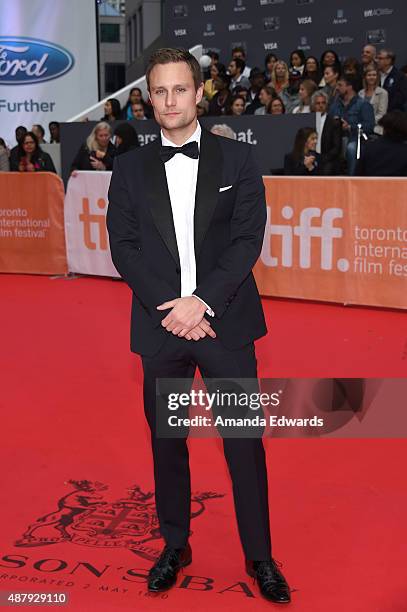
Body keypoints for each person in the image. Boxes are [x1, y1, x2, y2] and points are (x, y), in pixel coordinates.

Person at [106, 46, 291, 604]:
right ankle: (175, 543)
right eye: (158, 91)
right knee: (168, 441)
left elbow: (245, 242)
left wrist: (201, 302)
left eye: (179, 89)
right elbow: (125, 248)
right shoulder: (130, 167)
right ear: (149, 96)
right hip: (162, 327)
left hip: (225, 325)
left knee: (243, 444)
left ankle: (260, 556)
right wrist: (173, 306)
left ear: (200, 93)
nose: (168, 101)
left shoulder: (236, 161)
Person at [329, 76, 375, 175]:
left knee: (351, 148)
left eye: (340, 85)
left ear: (349, 87)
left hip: (355, 139)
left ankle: (352, 179)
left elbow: (369, 126)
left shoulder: (363, 105)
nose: (337, 88)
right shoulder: (334, 105)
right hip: (336, 138)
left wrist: (350, 127)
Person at [355, 111, 407, 176]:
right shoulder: (404, 151)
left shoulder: (369, 148)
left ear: (384, 128)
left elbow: (358, 176)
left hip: (371, 185)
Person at [311, 91, 342, 175]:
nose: (321, 106)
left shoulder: (334, 122)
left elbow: (336, 148)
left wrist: (321, 159)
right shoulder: (308, 120)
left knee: (326, 169)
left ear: (327, 105)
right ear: (313, 105)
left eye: (323, 103)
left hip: (327, 159)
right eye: (318, 103)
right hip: (310, 158)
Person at [358, 67, 388, 134]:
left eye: (374, 75)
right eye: (369, 75)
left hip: (376, 128)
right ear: (365, 77)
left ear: (377, 77)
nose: (372, 77)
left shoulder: (383, 93)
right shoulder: (360, 93)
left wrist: (367, 122)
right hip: (360, 128)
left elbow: (382, 114)